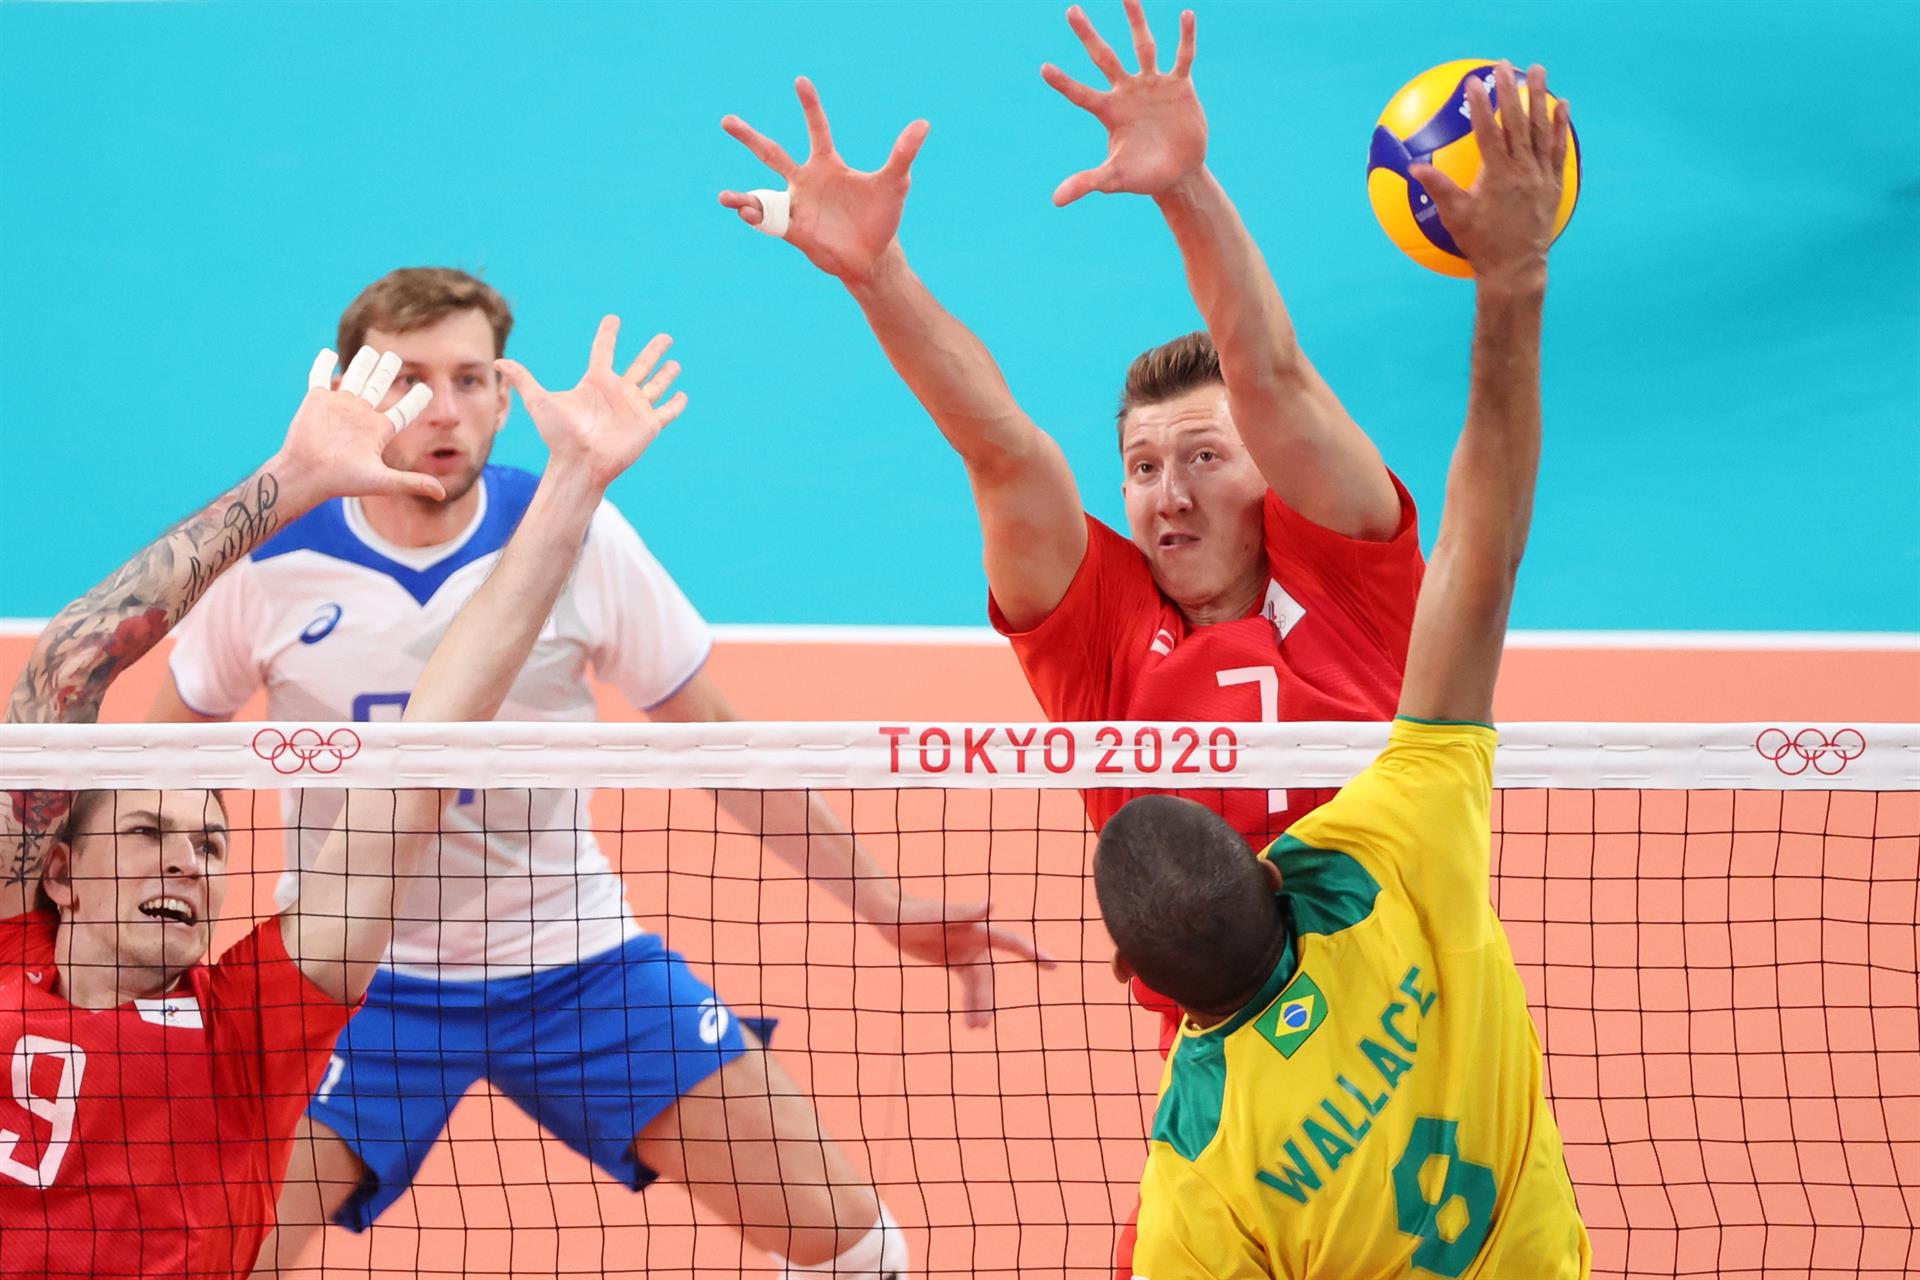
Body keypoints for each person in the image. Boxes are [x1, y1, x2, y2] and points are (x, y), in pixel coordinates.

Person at [151, 271, 1039, 1279]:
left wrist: (882, 899)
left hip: (573, 959)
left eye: (472, 377)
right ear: (358, 391)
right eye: (411, 378)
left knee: (850, 1235)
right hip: (350, 982)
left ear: (501, 390)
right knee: (212, 1254)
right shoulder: (271, 563)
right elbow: (154, 767)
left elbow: (719, 743)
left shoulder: (575, 534)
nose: (445, 409)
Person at [1, 323, 684, 1277]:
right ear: (60, 874)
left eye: (209, 845)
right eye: (152, 832)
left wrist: (573, 484)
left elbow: (426, 746)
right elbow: (69, 664)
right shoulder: (7, 945)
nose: (187, 862)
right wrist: (292, 479)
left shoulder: (252, 1020)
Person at [1095, 61, 1591, 1276]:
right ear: (1276, 871)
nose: (1172, 494)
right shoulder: (1408, 852)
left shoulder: (1197, 1175)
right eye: (1147, 467)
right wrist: (1512, 279)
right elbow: (1487, 544)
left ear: (1134, 976)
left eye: (1209, 455)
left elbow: (1268, 379)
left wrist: (1187, 189)